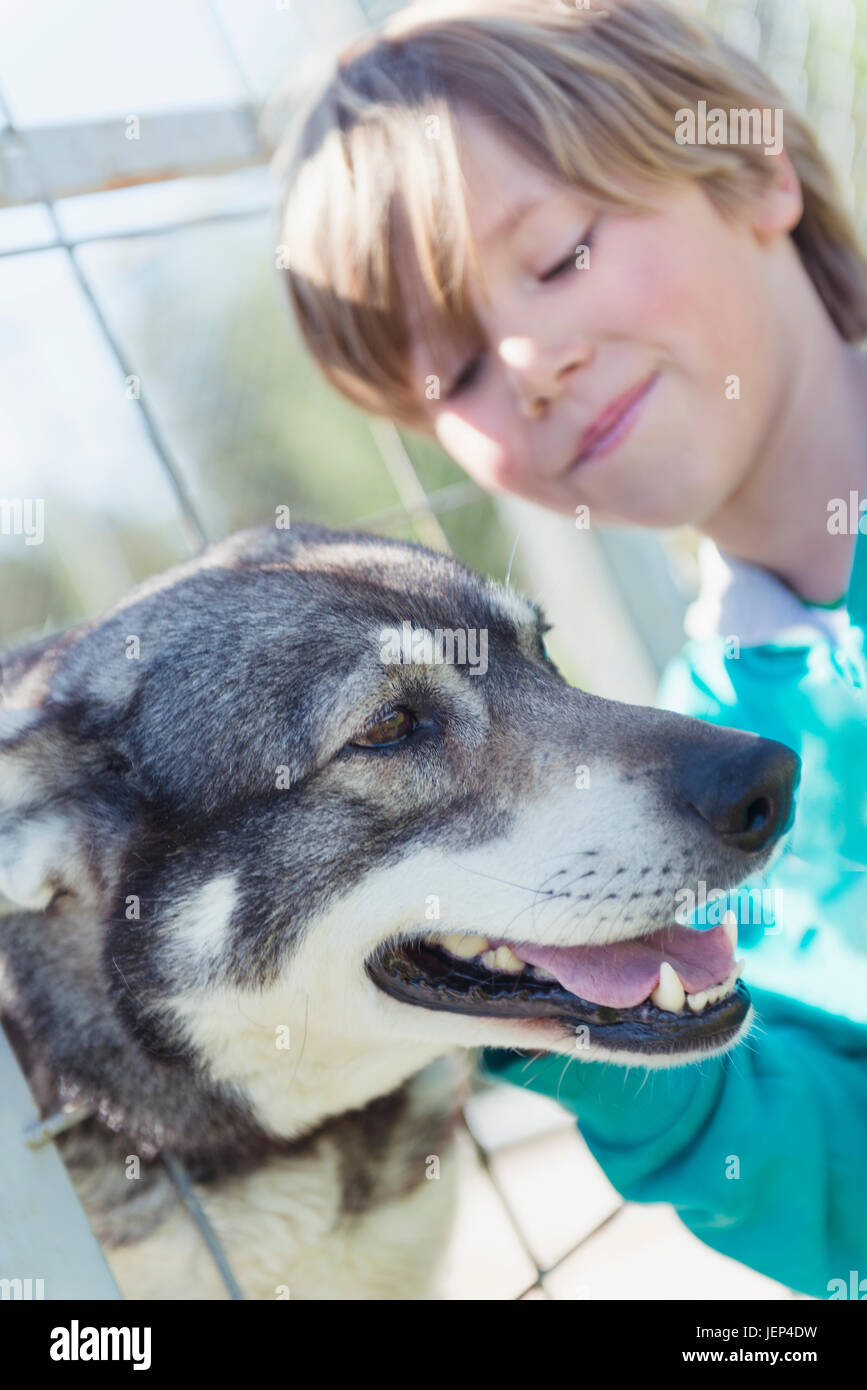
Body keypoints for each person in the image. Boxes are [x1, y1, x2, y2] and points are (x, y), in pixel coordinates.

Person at [271, 0, 867, 1297]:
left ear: (755, 170)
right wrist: (561, 1007)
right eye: (461, 374)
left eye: (558, 257)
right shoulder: (705, 779)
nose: (532, 366)